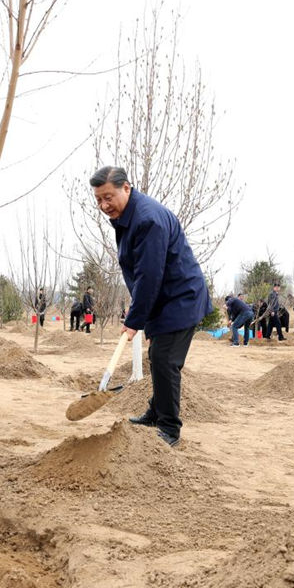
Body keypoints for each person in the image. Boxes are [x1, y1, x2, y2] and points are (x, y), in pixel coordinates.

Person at [90, 166, 211, 447]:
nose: (104, 205)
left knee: (166, 360)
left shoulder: (147, 220)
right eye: (98, 200)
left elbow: (149, 276)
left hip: (180, 298)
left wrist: (134, 320)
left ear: (127, 188)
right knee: (158, 355)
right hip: (165, 299)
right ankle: (156, 413)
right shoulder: (130, 218)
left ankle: (169, 428)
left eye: (108, 197)